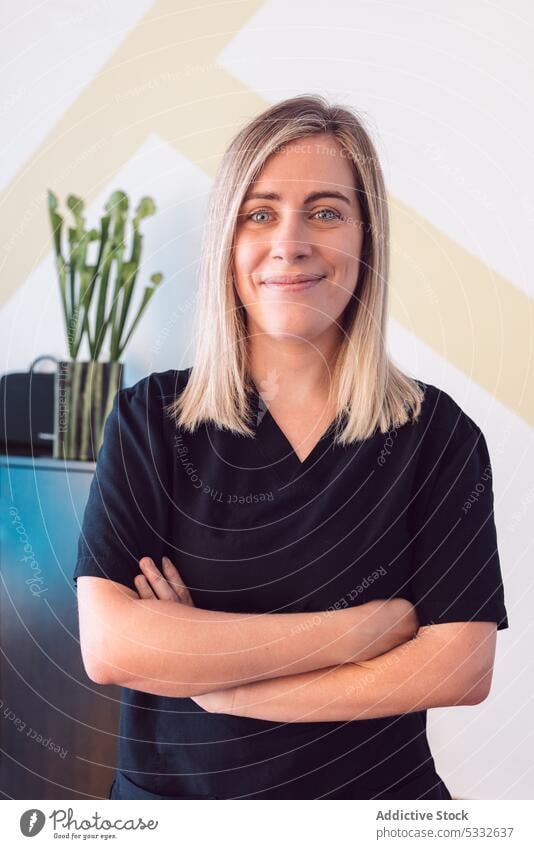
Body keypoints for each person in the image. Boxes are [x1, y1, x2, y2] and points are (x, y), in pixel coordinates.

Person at [74, 94, 509, 800]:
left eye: (326, 211)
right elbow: (117, 646)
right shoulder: (152, 419)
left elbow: (458, 668)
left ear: (367, 238)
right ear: (228, 241)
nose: (291, 242)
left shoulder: (437, 434)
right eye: (261, 212)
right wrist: (368, 629)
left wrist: (226, 686)